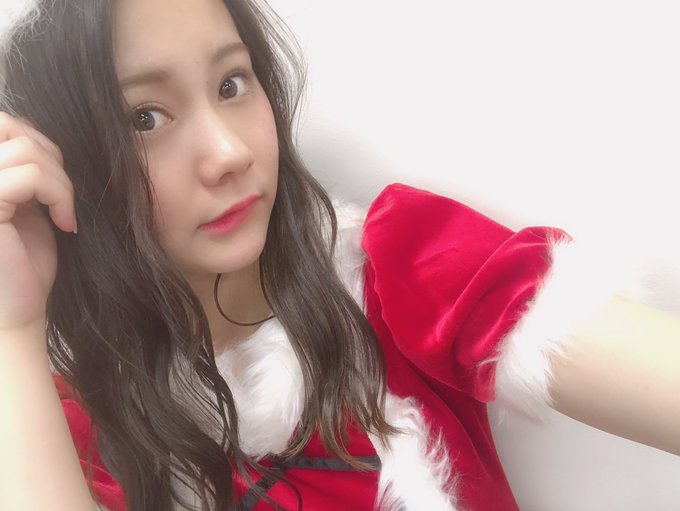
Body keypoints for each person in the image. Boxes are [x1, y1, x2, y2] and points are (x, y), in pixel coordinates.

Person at [0, 0, 678, 510]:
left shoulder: (402, 269)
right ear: (68, 165)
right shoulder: (65, 430)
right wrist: (13, 326)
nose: (229, 153)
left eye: (232, 83)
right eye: (144, 118)